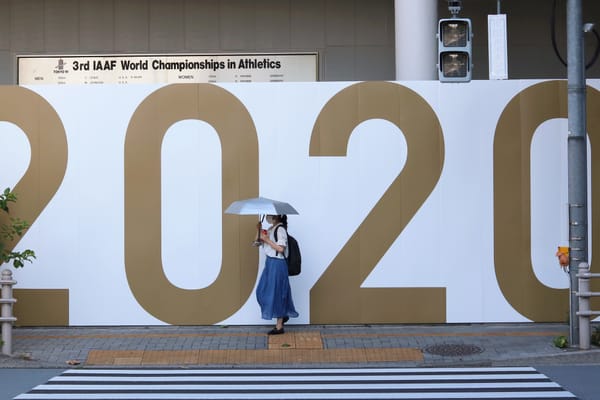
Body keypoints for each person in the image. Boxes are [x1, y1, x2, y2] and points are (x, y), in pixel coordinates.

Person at [255, 214, 298, 334]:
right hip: (270, 263)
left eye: (271, 215)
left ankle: (279, 326)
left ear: (278, 216)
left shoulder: (280, 229)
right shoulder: (270, 229)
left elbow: (281, 249)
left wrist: (267, 240)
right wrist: (258, 231)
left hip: (278, 264)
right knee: (262, 291)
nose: (268, 217)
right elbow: (257, 243)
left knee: (278, 293)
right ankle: (283, 315)